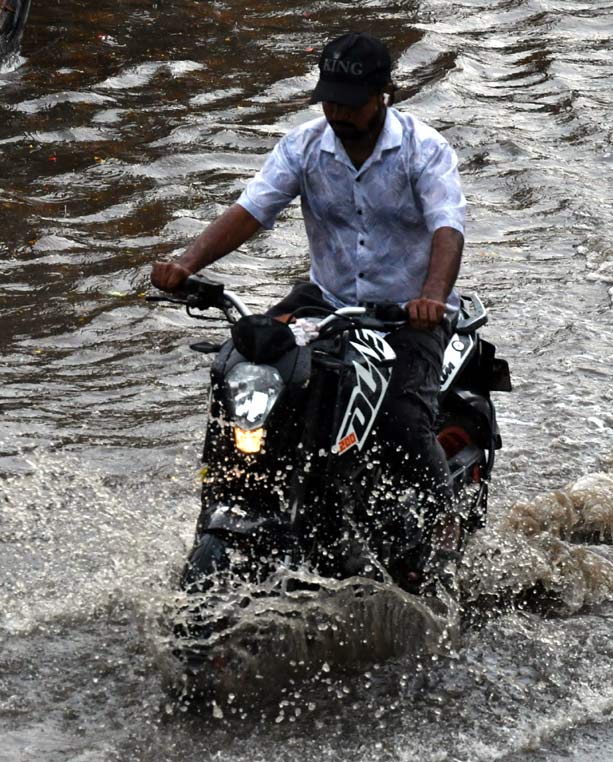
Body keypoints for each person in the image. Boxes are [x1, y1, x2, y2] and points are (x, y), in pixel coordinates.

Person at [151, 31, 467, 593]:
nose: (339, 113)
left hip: (404, 313)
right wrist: (186, 263)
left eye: (351, 102)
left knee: (400, 421)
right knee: (245, 363)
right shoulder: (304, 146)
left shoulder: (424, 149)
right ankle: (228, 498)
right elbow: (252, 209)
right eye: (331, 100)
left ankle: (439, 527)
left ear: (383, 95)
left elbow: (447, 226)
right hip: (323, 301)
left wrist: (433, 298)